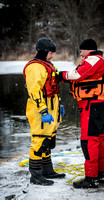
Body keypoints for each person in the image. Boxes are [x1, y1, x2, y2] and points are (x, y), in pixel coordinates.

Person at [56, 39, 104, 188]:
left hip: (91, 105)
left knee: (88, 142)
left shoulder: (93, 59)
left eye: (82, 50)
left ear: (89, 50)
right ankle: (100, 175)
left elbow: (77, 74)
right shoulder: (103, 61)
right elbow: (88, 78)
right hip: (99, 104)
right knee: (99, 140)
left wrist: (61, 75)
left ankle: (91, 178)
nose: (81, 53)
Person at [23, 38, 65, 186]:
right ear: (43, 52)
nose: (52, 56)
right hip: (40, 110)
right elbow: (34, 91)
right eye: (50, 53)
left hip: (51, 107)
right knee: (39, 141)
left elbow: (53, 85)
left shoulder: (47, 65)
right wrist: (43, 110)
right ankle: (35, 175)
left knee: (48, 140)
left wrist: (58, 105)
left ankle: (47, 170)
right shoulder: (35, 67)